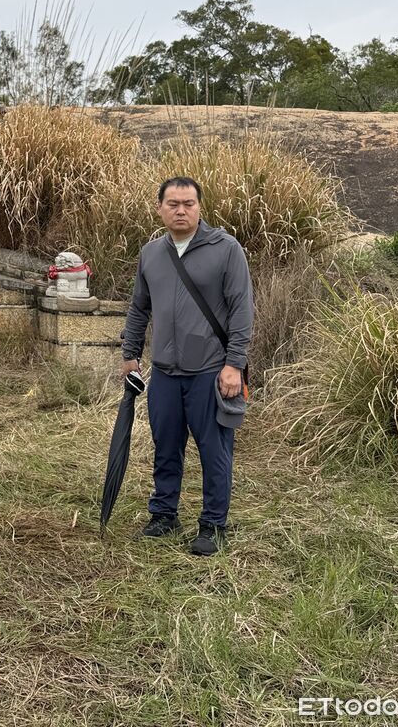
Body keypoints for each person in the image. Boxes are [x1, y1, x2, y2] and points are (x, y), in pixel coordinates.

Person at [121, 176, 253, 556]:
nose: (181, 210)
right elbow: (139, 307)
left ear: (199, 208)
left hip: (210, 371)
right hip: (163, 372)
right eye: (173, 204)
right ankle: (164, 514)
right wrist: (130, 354)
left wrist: (234, 365)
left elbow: (243, 312)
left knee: (215, 450)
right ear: (160, 207)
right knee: (165, 447)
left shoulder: (226, 250)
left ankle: (213, 523)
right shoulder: (151, 253)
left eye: (189, 204)